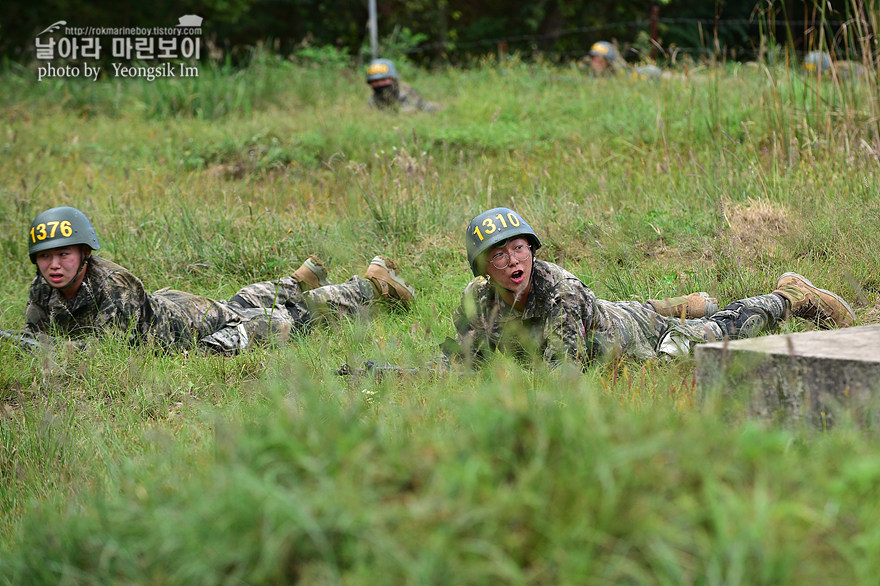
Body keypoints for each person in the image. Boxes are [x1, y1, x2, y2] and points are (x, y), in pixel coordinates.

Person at [442, 207, 855, 367]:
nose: (514, 261)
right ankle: (680, 304)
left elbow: (562, 378)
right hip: (608, 312)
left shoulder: (559, 295)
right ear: (482, 267)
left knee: (707, 340)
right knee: (624, 309)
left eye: (519, 249)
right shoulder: (476, 299)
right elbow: (463, 363)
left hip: (632, 342)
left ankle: (789, 297)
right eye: (499, 255)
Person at [20, 206, 416, 355]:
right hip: (171, 305)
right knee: (238, 303)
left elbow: (106, 354)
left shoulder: (115, 288)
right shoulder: (43, 288)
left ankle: (370, 286)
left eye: (64, 254)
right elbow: (33, 334)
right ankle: (297, 279)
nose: (54, 265)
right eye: (45, 257)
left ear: (85, 253)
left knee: (289, 321)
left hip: (193, 328)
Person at [365, 58, 441, 113]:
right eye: (375, 81)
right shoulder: (373, 99)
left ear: (393, 79)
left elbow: (412, 111)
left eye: (383, 80)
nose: (379, 84)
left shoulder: (404, 92)